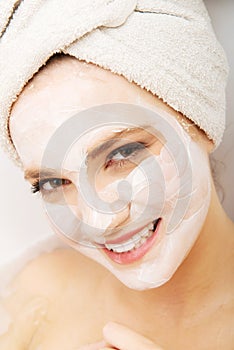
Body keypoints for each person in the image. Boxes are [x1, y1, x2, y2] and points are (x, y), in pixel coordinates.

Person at [0, 1, 233, 349]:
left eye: (121, 154)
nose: (97, 220)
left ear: (200, 120)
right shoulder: (34, 295)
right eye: (52, 183)